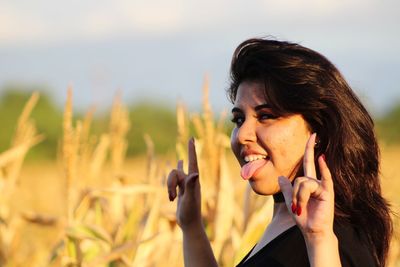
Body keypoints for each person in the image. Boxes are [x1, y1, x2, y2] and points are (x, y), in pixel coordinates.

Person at [167, 38, 393, 267]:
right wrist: (192, 226)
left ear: (318, 130)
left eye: (265, 116)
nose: (242, 134)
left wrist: (319, 239)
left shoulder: (336, 237)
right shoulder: (286, 222)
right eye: (238, 119)